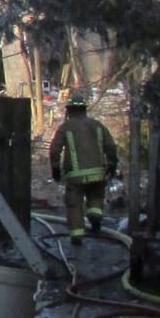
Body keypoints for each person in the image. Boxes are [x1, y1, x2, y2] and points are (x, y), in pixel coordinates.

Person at [49, 91, 119, 241]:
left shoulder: (65, 127)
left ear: (69, 110)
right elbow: (110, 146)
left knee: (74, 204)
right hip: (98, 173)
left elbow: (55, 149)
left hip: (75, 176)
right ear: (84, 110)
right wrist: (112, 163)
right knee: (96, 195)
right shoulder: (98, 125)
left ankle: (77, 235)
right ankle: (95, 214)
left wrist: (55, 167)